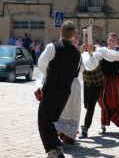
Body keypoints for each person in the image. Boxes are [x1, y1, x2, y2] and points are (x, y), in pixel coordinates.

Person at [36, 21, 81, 157]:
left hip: (52, 89)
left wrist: (49, 74)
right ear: (73, 34)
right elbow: (75, 73)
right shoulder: (77, 53)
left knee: (43, 120)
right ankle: (56, 147)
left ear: (61, 32)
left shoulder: (52, 47)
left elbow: (41, 65)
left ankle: (53, 149)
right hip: (65, 91)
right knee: (50, 120)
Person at [84, 33, 119, 135]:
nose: (111, 42)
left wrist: (100, 49)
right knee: (103, 103)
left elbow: (111, 57)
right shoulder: (102, 51)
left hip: (115, 81)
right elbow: (93, 58)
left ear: (117, 42)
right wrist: (90, 51)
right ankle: (103, 126)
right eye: (110, 40)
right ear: (107, 40)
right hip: (103, 80)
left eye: (114, 41)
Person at [54, 30, 82, 146]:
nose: (74, 39)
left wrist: (89, 54)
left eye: (77, 38)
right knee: (61, 109)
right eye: (73, 37)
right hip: (61, 83)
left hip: (74, 84)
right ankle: (56, 134)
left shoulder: (80, 53)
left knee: (72, 110)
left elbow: (87, 68)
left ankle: (68, 136)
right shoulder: (59, 50)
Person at [79, 29, 104, 138]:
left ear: (93, 41)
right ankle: (85, 126)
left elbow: (92, 64)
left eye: (89, 39)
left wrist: (90, 52)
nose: (87, 41)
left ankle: (85, 128)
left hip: (97, 83)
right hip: (87, 82)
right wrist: (81, 52)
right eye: (85, 39)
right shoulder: (81, 51)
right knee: (86, 104)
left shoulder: (99, 51)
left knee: (91, 106)